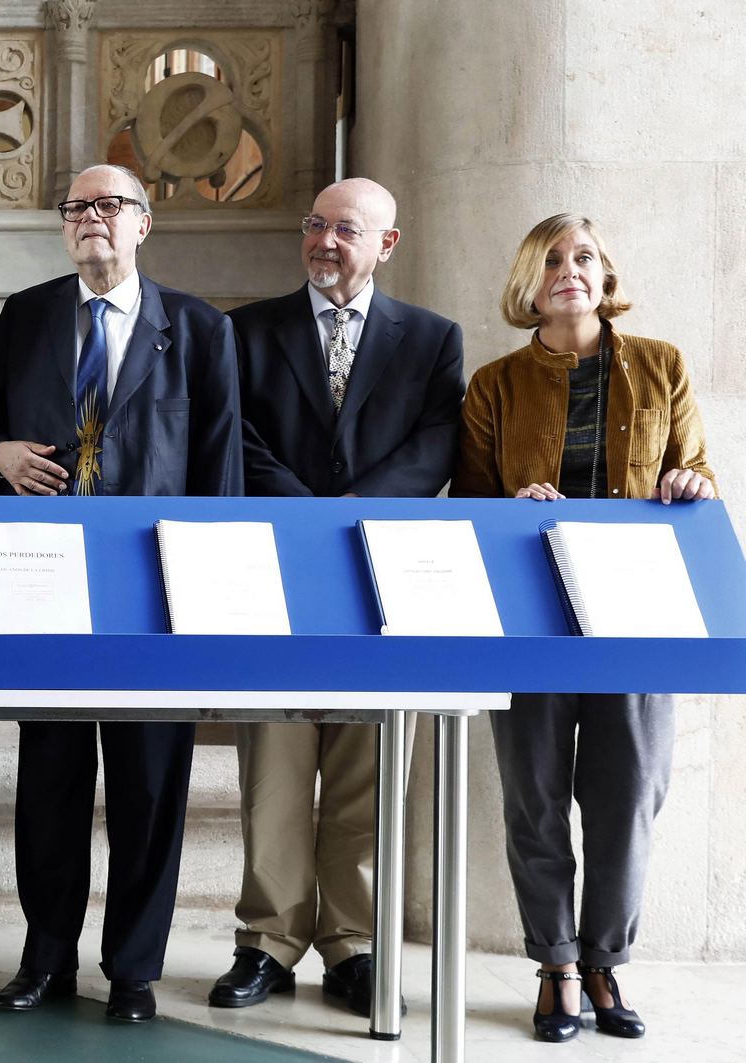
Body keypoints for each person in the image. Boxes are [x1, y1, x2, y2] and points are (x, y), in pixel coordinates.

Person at [0, 163, 241, 1023]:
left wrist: (206, 602)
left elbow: (220, 473)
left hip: (154, 599)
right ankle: (45, 958)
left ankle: (133, 969)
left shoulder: (196, 329)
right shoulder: (27, 314)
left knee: (149, 789)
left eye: (109, 205)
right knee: (47, 781)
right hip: (42, 591)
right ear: (64, 227)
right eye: (77, 207)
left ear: (144, 224)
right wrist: (0, 457)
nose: (92, 218)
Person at [453, 212, 713, 1044]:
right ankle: (555, 962)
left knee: (629, 791)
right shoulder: (494, 383)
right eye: (552, 258)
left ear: (607, 276)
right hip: (532, 607)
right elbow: (468, 501)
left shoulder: (662, 364)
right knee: (534, 794)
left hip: (638, 610)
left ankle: (605, 960)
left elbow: (700, 468)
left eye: (585, 257)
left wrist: (686, 478)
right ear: (529, 282)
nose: (569, 269)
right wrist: (509, 506)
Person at [210, 178, 464, 1017]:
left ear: (385, 245)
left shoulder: (432, 339)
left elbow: (436, 447)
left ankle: (353, 944)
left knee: (366, 764)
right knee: (275, 767)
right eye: (314, 224)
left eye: (344, 229)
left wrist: (351, 518)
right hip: (274, 573)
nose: (324, 240)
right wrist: (310, 518)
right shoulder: (245, 330)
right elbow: (234, 435)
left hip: (381, 579)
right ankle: (269, 941)